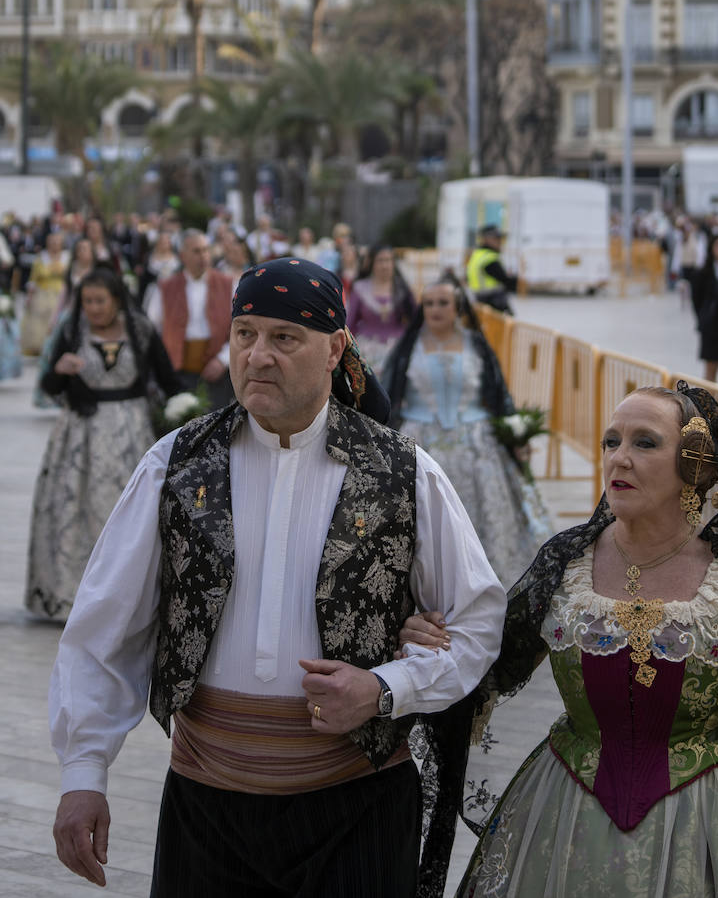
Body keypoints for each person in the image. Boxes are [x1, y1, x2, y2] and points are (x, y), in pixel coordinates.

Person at [48, 257, 505, 898]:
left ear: (334, 349)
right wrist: (83, 771)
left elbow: (477, 622)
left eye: (284, 338)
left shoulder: (404, 470)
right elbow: (105, 626)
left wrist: (386, 686)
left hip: (359, 810)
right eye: (245, 334)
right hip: (208, 813)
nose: (258, 355)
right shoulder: (174, 464)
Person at [402, 384, 718, 898]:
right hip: (563, 812)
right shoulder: (565, 563)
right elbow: (487, 668)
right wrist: (439, 642)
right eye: (610, 441)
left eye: (644, 443)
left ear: (697, 467)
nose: (619, 457)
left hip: (713, 823)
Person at [26, 268, 181, 621]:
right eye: (87, 302)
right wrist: (60, 371)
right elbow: (50, 386)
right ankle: (69, 596)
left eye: (100, 301)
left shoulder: (140, 330)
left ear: (116, 300)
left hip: (131, 431)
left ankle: (128, 600)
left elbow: (167, 377)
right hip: (80, 435)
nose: (93, 308)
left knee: (129, 512)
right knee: (74, 510)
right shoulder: (72, 330)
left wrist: (184, 410)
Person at [384, 278, 552, 587]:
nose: (436, 309)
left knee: (488, 523)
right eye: (429, 303)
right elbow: (388, 394)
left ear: (457, 307)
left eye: (443, 303)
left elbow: (498, 390)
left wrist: (516, 435)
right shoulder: (408, 346)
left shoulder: (476, 343)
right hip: (423, 444)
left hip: (478, 444)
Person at [145, 229, 234, 408]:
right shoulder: (165, 287)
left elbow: (241, 329)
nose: (203, 256)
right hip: (178, 371)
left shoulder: (228, 285)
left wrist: (223, 360)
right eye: (196, 251)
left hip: (217, 371)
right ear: (182, 256)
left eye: (206, 250)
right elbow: (151, 330)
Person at [347, 244, 416, 372]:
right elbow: (350, 323)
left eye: (389, 260)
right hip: (366, 350)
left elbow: (414, 320)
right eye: (380, 260)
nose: (385, 265)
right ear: (371, 263)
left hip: (397, 348)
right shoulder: (360, 288)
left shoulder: (402, 289)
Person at [20, 230, 70, 356]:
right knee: (40, 325)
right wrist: (29, 297)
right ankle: (43, 350)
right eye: (51, 242)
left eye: (56, 242)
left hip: (61, 295)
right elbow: (33, 279)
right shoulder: (41, 257)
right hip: (42, 295)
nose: (54, 244)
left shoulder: (67, 257)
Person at [694, 231, 718, 385]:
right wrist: (705, 317)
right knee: (710, 369)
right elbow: (697, 300)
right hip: (710, 328)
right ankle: (708, 408)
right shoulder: (704, 272)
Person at [465, 225, 517, 315]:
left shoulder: (478, 254)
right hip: (493, 303)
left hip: (481, 300)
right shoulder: (489, 259)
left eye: (500, 239)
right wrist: (517, 281)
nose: (500, 242)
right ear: (485, 239)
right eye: (496, 238)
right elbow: (506, 280)